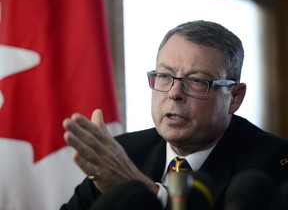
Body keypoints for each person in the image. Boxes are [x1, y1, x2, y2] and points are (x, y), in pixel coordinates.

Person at [60, 20, 288, 210]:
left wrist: (143, 190)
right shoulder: (124, 152)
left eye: (197, 81)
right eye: (165, 76)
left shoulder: (271, 166)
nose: (174, 93)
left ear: (235, 97)